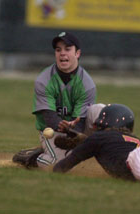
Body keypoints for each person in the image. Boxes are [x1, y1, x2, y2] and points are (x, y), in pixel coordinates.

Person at [13, 32, 98, 169]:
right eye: (58, 50)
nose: (62, 53)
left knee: (99, 111)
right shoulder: (44, 80)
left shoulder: (87, 84)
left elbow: (81, 121)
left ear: (77, 53)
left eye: (67, 49)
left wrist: (73, 132)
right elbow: (49, 118)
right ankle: (32, 158)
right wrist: (63, 127)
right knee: (58, 164)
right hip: (51, 129)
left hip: (77, 130)